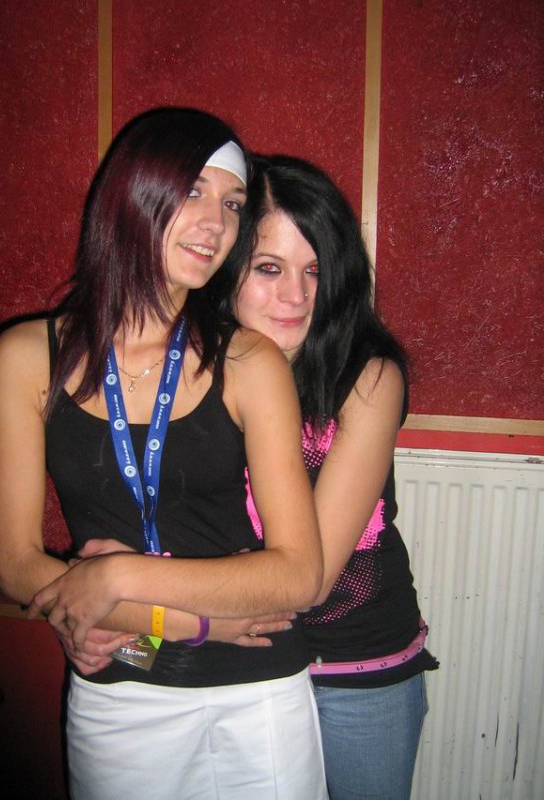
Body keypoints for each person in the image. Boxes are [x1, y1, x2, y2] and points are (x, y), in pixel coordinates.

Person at [0, 110, 328, 800]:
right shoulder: (26, 357)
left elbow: (297, 574)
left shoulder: (249, 360)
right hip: (121, 684)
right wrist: (185, 623)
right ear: (133, 193)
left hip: (257, 692)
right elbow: (15, 563)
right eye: (193, 191)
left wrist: (115, 580)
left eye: (232, 204)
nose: (216, 224)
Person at [217, 153, 439, 800]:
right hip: (234, 659)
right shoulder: (198, 374)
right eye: (269, 268)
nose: (296, 295)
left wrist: (129, 598)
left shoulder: (368, 376)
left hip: (355, 673)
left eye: (314, 270)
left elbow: (307, 580)